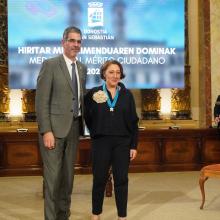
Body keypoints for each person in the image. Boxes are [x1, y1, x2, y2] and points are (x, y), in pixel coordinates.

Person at [35, 26, 87, 220]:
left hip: (74, 129)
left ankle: (63, 216)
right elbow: (41, 101)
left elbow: (80, 98)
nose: (75, 45)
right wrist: (46, 130)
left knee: (68, 179)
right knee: (52, 180)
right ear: (63, 42)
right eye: (72, 41)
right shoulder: (50, 65)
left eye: (79, 41)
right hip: (53, 132)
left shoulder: (82, 68)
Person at [84, 60, 139, 220]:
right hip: (101, 142)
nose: (115, 75)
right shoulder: (94, 93)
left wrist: (133, 145)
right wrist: (95, 131)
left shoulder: (127, 95)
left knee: (121, 180)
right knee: (99, 179)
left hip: (123, 143)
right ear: (104, 74)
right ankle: (96, 214)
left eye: (118, 72)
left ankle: (122, 216)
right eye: (111, 72)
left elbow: (133, 122)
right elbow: (87, 116)